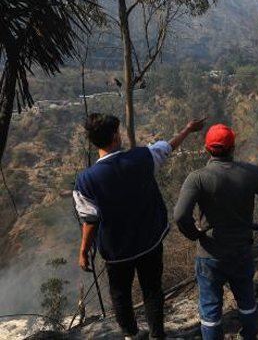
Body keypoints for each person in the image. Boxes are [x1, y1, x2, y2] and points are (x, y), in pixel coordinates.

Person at [74, 113, 206, 340]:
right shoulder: (142, 157)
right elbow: (168, 147)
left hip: (117, 251)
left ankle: (130, 334)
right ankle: (157, 335)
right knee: (152, 289)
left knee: (120, 294)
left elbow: (90, 221)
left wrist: (83, 252)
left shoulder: (86, 180)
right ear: (115, 137)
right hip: (150, 240)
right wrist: (187, 129)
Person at [174, 123, 258, 340]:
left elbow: (180, 215)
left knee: (210, 308)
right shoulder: (251, 173)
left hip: (210, 255)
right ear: (233, 148)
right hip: (241, 251)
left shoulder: (198, 177)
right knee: (246, 300)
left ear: (208, 149)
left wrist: (194, 234)